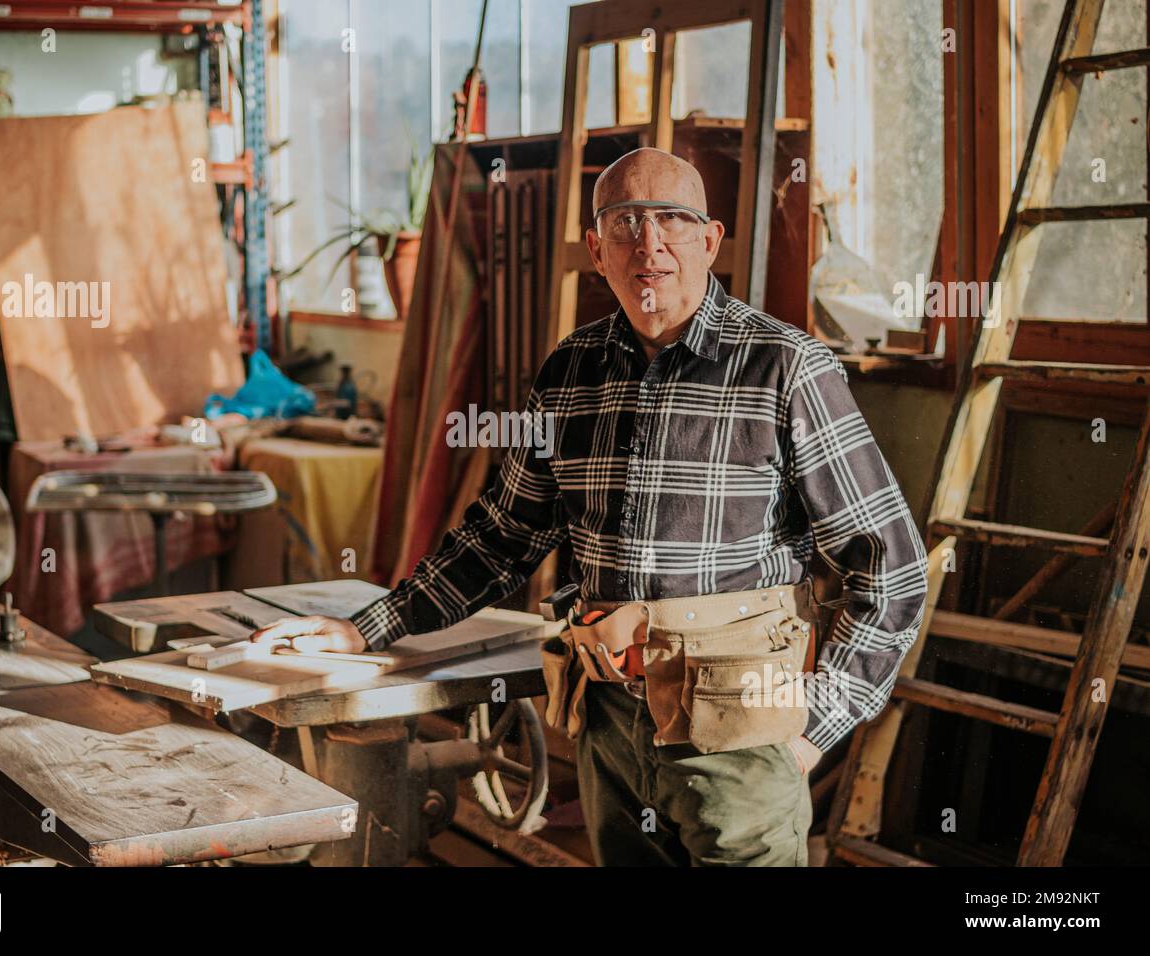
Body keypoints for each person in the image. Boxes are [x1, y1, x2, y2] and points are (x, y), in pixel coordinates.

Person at [252, 147, 928, 866]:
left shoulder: (784, 368)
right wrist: (366, 630)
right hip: (608, 727)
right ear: (595, 249)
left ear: (711, 239)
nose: (650, 243)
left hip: (740, 738)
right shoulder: (570, 372)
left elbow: (891, 568)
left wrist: (810, 731)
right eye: (626, 223)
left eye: (673, 219)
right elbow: (502, 536)